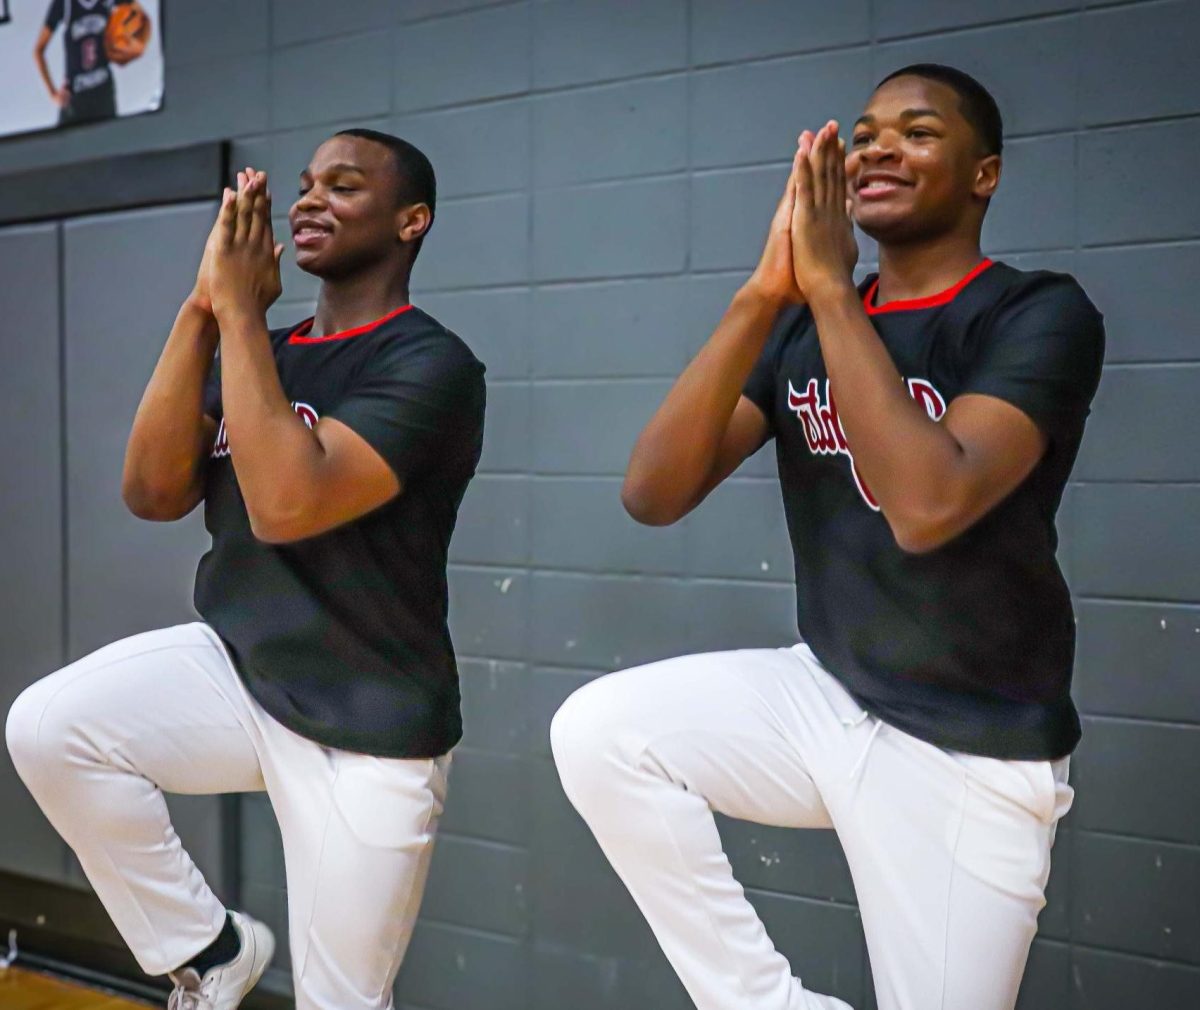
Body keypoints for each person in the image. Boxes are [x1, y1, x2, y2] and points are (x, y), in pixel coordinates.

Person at [550, 64, 1104, 1010]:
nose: (880, 146)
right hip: (829, 693)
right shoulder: (802, 322)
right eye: (866, 131)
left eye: (918, 131)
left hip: (968, 741)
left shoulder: (1036, 313)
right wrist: (766, 296)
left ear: (986, 174)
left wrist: (833, 294)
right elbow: (654, 492)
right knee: (604, 733)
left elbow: (928, 506)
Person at [6, 128, 486, 1010]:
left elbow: (288, 505)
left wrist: (237, 322)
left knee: (343, 999)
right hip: (239, 669)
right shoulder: (257, 342)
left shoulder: (431, 364)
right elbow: (152, 492)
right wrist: (202, 308)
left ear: (411, 221)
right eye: (305, 185)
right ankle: (209, 947)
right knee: (51, 727)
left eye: (343, 187)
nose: (308, 201)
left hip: (368, 718)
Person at [34, 0, 139, 126]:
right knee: (68, 143)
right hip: (76, 95)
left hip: (103, 91)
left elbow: (138, 16)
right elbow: (38, 51)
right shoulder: (65, 4)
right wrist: (53, 93)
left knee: (108, 141)